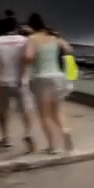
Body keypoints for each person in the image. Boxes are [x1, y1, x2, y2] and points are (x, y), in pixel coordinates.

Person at [25, 13, 74, 154]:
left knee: (44, 114)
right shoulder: (54, 38)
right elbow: (69, 49)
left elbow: (28, 56)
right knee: (57, 111)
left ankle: (53, 146)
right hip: (58, 77)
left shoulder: (32, 39)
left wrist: (28, 62)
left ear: (31, 26)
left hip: (42, 78)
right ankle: (65, 131)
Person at [0, 17, 36, 152]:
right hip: (21, 81)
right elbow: (29, 58)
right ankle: (28, 132)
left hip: (2, 81)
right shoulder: (25, 41)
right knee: (26, 109)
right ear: (16, 27)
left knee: (2, 110)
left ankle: (5, 137)